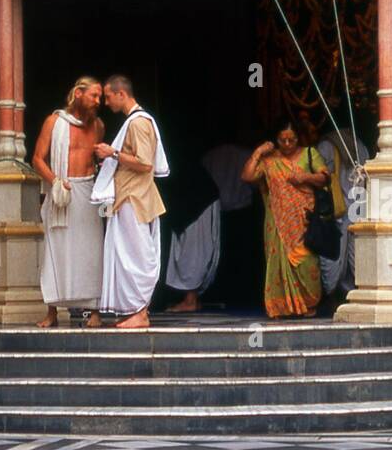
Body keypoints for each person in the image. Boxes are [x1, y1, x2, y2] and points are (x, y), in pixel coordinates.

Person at [91, 74, 169, 329]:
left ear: (121, 94)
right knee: (129, 255)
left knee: (137, 257)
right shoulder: (134, 122)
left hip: (134, 198)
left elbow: (145, 164)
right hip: (129, 196)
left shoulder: (138, 123)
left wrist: (112, 153)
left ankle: (140, 312)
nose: (106, 101)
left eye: (108, 95)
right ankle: (136, 310)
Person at [32, 76, 105, 328]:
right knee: (56, 250)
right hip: (60, 192)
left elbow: (98, 162)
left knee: (91, 251)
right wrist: (55, 181)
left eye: (100, 97)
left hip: (88, 191)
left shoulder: (98, 126)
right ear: (78, 93)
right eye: (94, 96)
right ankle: (52, 311)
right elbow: (37, 159)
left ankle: (93, 311)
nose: (98, 101)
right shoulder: (54, 122)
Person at [243, 116, 329, 319]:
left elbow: (325, 177)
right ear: (276, 139)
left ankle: (308, 304)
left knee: (307, 262)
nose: (288, 144)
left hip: (304, 221)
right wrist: (258, 152)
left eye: (292, 140)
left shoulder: (310, 154)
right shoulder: (270, 160)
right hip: (277, 225)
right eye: (283, 140)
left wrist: (305, 177)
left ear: (299, 138)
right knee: (278, 262)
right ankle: (282, 306)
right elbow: (247, 177)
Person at [165, 144, 252, 313]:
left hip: (198, 204)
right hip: (194, 202)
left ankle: (190, 299)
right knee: (191, 251)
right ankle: (191, 298)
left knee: (194, 252)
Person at [316, 124, 370, 301]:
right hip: (359, 209)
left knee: (333, 257)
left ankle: (333, 296)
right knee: (354, 255)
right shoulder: (360, 146)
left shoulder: (326, 146)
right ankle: (353, 294)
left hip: (337, 210)